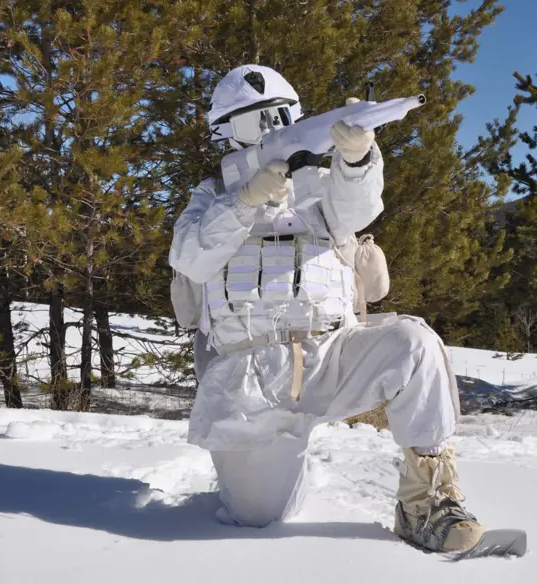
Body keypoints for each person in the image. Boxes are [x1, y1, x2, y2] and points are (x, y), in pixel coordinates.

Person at [168, 64, 484, 554]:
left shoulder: (321, 189)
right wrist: (245, 201)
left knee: (414, 343)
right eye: (255, 124)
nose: (272, 133)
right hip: (248, 376)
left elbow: (358, 208)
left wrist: (358, 158)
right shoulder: (210, 196)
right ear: (227, 133)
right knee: (258, 517)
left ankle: (427, 500)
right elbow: (190, 255)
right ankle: (286, 464)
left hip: (334, 354)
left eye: (280, 118)